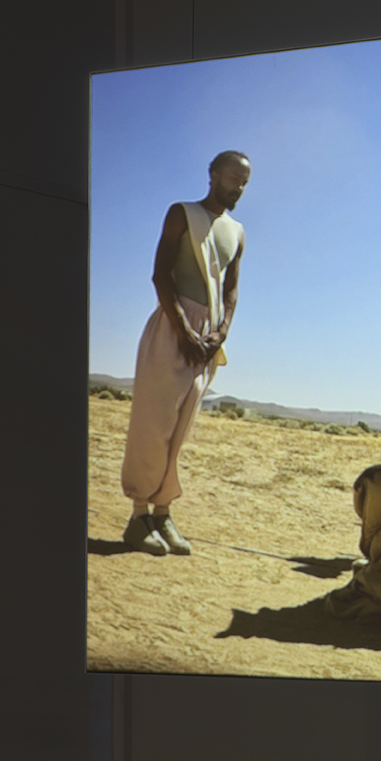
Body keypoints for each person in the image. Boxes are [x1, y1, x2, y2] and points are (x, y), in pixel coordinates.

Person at [116, 152, 249, 556]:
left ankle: (162, 513)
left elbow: (231, 289)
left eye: (245, 182)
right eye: (234, 178)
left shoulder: (237, 231)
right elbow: (160, 275)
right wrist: (183, 330)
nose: (239, 187)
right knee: (153, 425)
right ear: (213, 175)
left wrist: (220, 333)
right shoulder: (182, 213)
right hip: (172, 327)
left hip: (208, 338)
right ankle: (138, 517)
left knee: (181, 429)